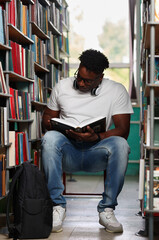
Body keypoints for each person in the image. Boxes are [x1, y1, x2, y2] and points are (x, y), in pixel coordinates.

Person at [41, 49, 133, 234]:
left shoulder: (116, 90)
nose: (81, 83)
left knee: (121, 145)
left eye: (88, 81)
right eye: (79, 77)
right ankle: (57, 207)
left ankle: (107, 209)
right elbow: (47, 118)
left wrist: (96, 137)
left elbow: (122, 130)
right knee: (49, 138)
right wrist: (57, 126)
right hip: (68, 150)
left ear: (100, 78)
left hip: (97, 151)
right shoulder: (62, 86)